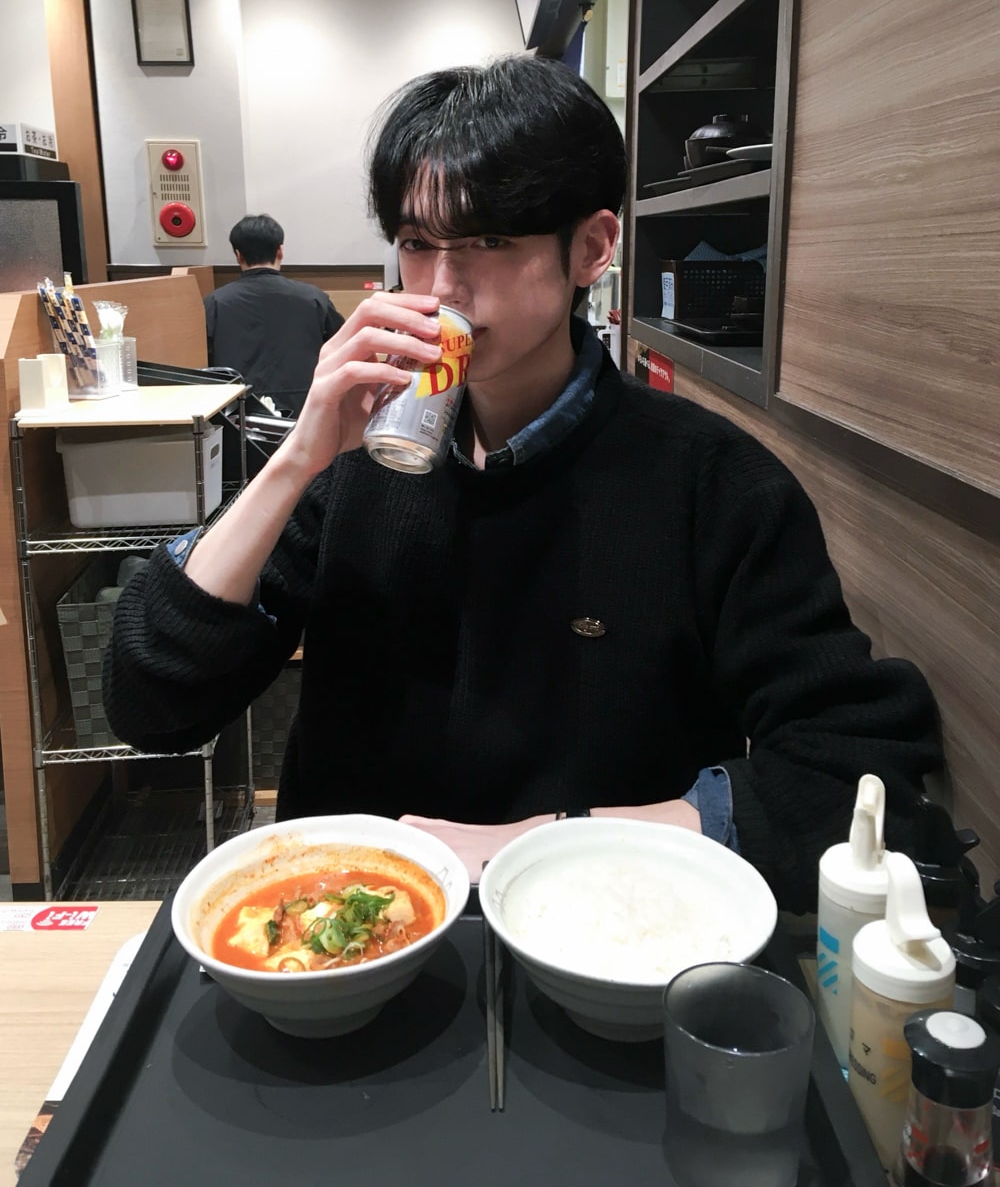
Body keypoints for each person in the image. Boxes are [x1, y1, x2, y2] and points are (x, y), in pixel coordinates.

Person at [104, 57, 942, 912]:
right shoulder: (352, 466)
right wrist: (295, 461)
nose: (440, 288)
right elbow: (150, 701)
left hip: (600, 936)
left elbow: (858, 771)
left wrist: (551, 841)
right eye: (416, 244)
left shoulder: (713, 483)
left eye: (489, 241)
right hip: (344, 936)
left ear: (592, 248)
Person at [204, 213, 344, 417]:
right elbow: (342, 347)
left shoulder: (214, 303)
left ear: (238, 255)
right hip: (306, 412)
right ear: (280, 251)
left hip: (237, 415)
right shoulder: (314, 298)